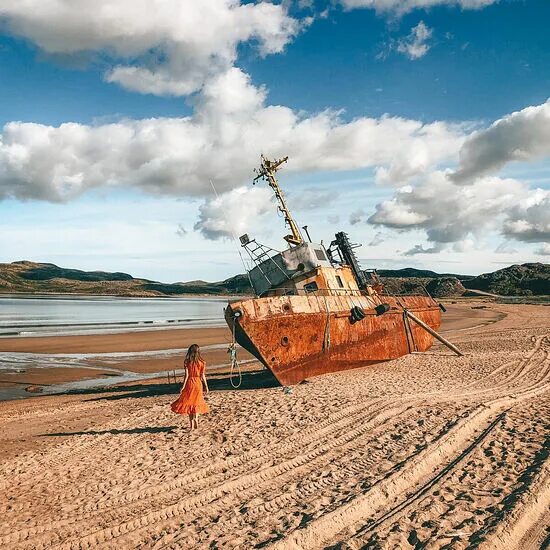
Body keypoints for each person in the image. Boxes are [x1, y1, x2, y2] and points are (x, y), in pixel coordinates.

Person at [171, 344, 209, 430]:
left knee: (189, 402)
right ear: (198, 352)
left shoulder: (187, 362)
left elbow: (187, 375)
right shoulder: (202, 362)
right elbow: (203, 375)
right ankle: (196, 419)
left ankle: (191, 423)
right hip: (198, 383)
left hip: (190, 383)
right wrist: (206, 386)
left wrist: (183, 386)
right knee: (197, 402)